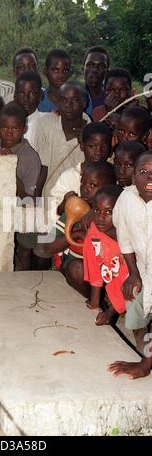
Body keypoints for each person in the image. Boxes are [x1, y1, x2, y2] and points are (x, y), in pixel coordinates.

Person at [45, 161, 116, 298]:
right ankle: (96, 300)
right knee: (76, 268)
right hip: (81, 270)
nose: (85, 189)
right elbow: (47, 247)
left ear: (109, 188)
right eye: (83, 183)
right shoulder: (76, 209)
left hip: (110, 269)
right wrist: (75, 233)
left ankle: (108, 298)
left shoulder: (117, 212)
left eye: (93, 185)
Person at [109, 152, 152, 379]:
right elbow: (124, 237)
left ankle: (146, 362)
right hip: (145, 269)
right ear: (133, 176)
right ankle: (145, 355)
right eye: (143, 172)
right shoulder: (126, 199)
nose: (149, 178)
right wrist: (133, 273)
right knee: (136, 314)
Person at [34, 80, 91, 201]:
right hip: (48, 199)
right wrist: (36, 199)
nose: (68, 105)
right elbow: (41, 166)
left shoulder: (93, 134)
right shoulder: (45, 124)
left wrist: (86, 141)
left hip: (78, 202)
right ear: (58, 102)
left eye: (74, 100)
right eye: (63, 100)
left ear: (84, 102)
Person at [83, 184, 128, 325]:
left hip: (134, 282)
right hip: (111, 275)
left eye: (108, 212)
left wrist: (111, 312)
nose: (101, 217)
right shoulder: (94, 231)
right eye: (97, 210)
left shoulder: (130, 237)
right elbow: (93, 266)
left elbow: (129, 276)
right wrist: (95, 302)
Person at [51, 122, 112, 215]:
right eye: (92, 146)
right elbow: (52, 210)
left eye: (103, 147)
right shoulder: (68, 177)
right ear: (82, 146)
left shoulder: (112, 174)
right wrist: (64, 204)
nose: (98, 151)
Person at [0, 102, 42, 198]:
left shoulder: (31, 157)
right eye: (4, 128)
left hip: (15, 209)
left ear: (24, 129)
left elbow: (28, 198)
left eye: (15, 128)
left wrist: (8, 166)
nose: (9, 133)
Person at [14, 71, 45, 149]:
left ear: (41, 95)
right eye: (21, 93)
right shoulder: (5, 124)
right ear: (15, 95)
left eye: (32, 93)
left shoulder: (48, 123)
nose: (26, 98)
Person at [82, 46, 109, 117]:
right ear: (83, 69)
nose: (95, 70)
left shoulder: (113, 99)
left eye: (101, 66)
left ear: (107, 72)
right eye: (90, 65)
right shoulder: (71, 97)